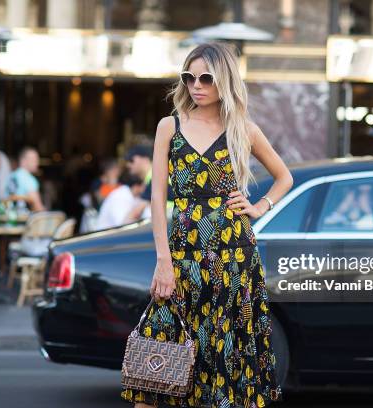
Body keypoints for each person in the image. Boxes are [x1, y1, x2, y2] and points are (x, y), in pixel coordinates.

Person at [120, 42, 292, 408]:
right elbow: (157, 198)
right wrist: (163, 260)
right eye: (189, 77)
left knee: (224, 361)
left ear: (224, 81)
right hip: (181, 258)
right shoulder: (169, 126)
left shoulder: (242, 128)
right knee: (155, 369)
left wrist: (260, 206)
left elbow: (284, 177)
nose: (196, 85)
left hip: (233, 259)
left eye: (206, 78)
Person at [6, 147, 45, 211]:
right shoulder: (29, 179)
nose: (37, 163)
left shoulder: (11, 176)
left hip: (8, 217)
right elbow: (37, 206)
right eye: (34, 160)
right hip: (22, 218)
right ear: (23, 161)